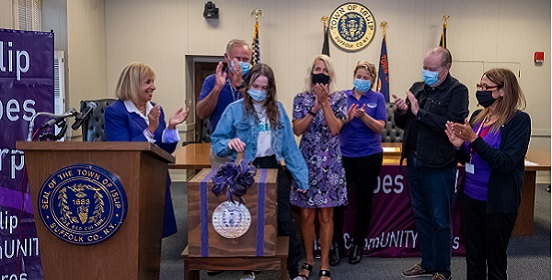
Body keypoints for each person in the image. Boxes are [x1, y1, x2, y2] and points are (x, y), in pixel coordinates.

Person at [210, 63, 309, 280]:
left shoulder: (278, 109)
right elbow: (216, 142)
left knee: (283, 220)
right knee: (248, 220)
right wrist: (230, 143)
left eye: (265, 88)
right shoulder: (234, 109)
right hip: (245, 171)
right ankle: (249, 269)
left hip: (273, 168)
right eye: (256, 86)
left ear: (271, 89)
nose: (260, 91)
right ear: (248, 84)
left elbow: (289, 147)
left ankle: (293, 271)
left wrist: (302, 179)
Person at [445, 68, 530, 280]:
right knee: (473, 259)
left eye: (487, 88)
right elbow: (470, 156)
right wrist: (459, 146)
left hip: (498, 203)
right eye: (479, 86)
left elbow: (506, 163)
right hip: (470, 198)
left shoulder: (518, 121)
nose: (481, 91)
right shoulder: (477, 117)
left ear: (503, 90)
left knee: (495, 261)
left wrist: (474, 140)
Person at [392, 47, 468, 280]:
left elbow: (452, 126)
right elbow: (403, 123)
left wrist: (419, 111)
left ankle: (442, 270)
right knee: (421, 216)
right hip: (414, 160)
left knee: (439, 219)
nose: (426, 72)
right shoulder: (418, 88)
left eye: (431, 69)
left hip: (439, 166)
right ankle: (427, 262)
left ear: (446, 68)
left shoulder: (458, 91)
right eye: (424, 67)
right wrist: (403, 111)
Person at [104, 62, 189, 238]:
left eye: (153, 81)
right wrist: (150, 129)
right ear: (133, 84)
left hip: (156, 177)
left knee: (155, 235)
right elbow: (125, 151)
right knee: (135, 236)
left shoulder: (156, 109)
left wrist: (172, 127)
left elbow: (165, 149)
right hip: (132, 182)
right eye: (148, 82)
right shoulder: (116, 112)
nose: (153, 87)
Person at [291, 54, 348, 280]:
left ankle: (324, 264)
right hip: (306, 163)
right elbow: (297, 129)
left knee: (326, 215)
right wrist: (314, 107)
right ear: (311, 72)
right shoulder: (300, 98)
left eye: (324, 69)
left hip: (330, 165)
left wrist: (325, 103)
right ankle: (307, 260)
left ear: (330, 74)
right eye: (317, 68)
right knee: (306, 216)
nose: (320, 72)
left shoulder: (340, 98)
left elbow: (335, 128)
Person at [331, 61, 386, 266]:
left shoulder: (377, 98)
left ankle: (357, 245)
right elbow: (334, 126)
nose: (361, 80)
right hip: (344, 156)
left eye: (366, 77)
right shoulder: (342, 96)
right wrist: (348, 117)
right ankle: (336, 245)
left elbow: (380, 127)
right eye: (359, 76)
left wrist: (364, 117)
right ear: (354, 75)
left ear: (372, 80)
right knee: (338, 202)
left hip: (369, 156)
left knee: (364, 202)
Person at [197, 39, 252, 169]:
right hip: (222, 149)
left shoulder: (255, 81)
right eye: (237, 58)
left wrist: (240, 85)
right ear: (227, 58)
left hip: (250, 149)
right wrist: (217, 89)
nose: (241, 63)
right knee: (222, 187)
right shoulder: (212, 81)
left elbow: (259, 109)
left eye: (246, 59)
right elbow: (201, 113)